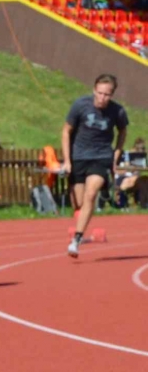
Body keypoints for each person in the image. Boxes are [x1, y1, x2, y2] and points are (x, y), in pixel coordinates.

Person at [62, 74, 128, 258]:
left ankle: (76, 240)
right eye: (99, 93)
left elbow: (123, 131)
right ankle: (81, 224)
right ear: (94, 90)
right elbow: (66, 131)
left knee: (91, 195)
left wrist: (116, 153)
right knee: (80, 203)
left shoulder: (118, 111)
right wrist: (67, 160)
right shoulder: (80, 105)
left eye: (106, 94)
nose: (102, 98)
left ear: (112, 94)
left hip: (101, 157)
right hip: (79, 157)